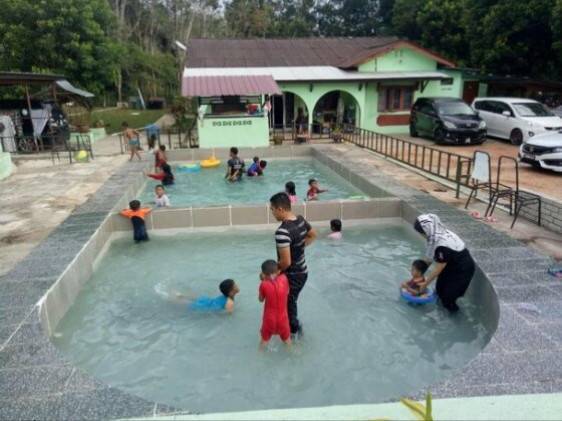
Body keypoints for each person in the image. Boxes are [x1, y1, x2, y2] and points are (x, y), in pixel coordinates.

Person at [270, 192, 317, 337]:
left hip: (293, 275)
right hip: (303, 272)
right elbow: (313, 235)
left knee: (288, 306)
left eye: (272, 209)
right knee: (290, 303)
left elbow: (286, 262)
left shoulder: (282, 231)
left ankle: (294, 335)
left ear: (280, 209)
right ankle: (293, 330)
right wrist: (299, 248)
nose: (272, 213)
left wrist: (271, 273)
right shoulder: (301, 220)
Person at [413, 214, 476, 312]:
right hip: (450, 266)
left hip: (462, 270)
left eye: (421, 233)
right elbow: (429, 260)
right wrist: (419, 275)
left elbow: (439, 268)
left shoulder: (442, 245)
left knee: (448, 299)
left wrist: (425, 284)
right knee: (439, 289)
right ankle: (442, 310)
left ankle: (455, 316)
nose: (421, 235)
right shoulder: (436, 235)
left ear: (427, 230)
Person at [259, 259, 291, 350]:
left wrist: (263, 280)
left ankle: (260, 356)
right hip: (283, 320)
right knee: (287, 342)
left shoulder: (263, 285)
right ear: (278, 271)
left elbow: (261, 299)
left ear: (263, 274)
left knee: (264, 342)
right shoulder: (284, 278)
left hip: (269, 320)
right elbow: (287, 292)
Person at [164, 279, 239, 314]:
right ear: (231, 292)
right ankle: (166, 297)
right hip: (205, 306)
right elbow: (228, 317)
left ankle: (180, 295)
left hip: (208, 301)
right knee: (186, 304)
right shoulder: (230, 303)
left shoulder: (226, 296)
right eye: (235, 285)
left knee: (189, 300)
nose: (237, 286)